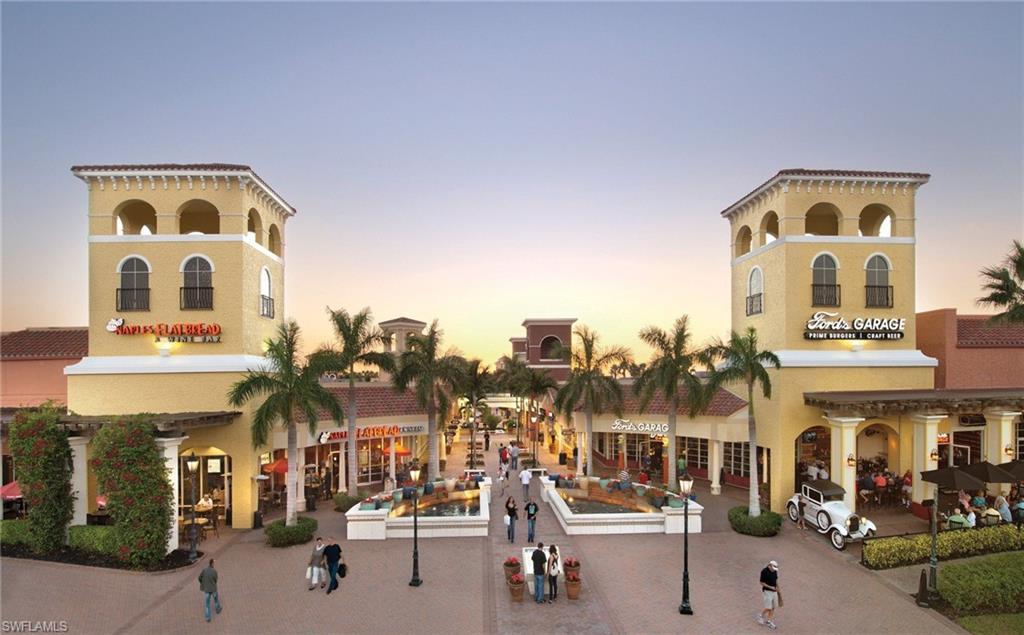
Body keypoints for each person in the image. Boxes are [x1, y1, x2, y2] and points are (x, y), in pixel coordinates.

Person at [757, 560, 780, 630]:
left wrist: (778, 587)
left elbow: (776, 580)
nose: (774, 570)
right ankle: (760, 616)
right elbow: (761, 583)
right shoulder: (764, 571)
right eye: (773, 568)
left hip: (774, 591)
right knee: (768, 607)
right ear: (769, 565)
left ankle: (769, 621)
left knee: (773, 607)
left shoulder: (775, 571)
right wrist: (770, 587)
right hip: (767, 591)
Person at [198, 558, 222, 623]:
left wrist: (203, 583)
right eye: (214, 563)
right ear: (212, 563)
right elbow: (215, 580)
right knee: (216, 600)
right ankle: (218, 609)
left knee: (207, 604)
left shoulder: (204, 570)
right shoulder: (214, 571)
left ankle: (208, 617)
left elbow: (199, 578)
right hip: (213, 589)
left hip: (207, 590)